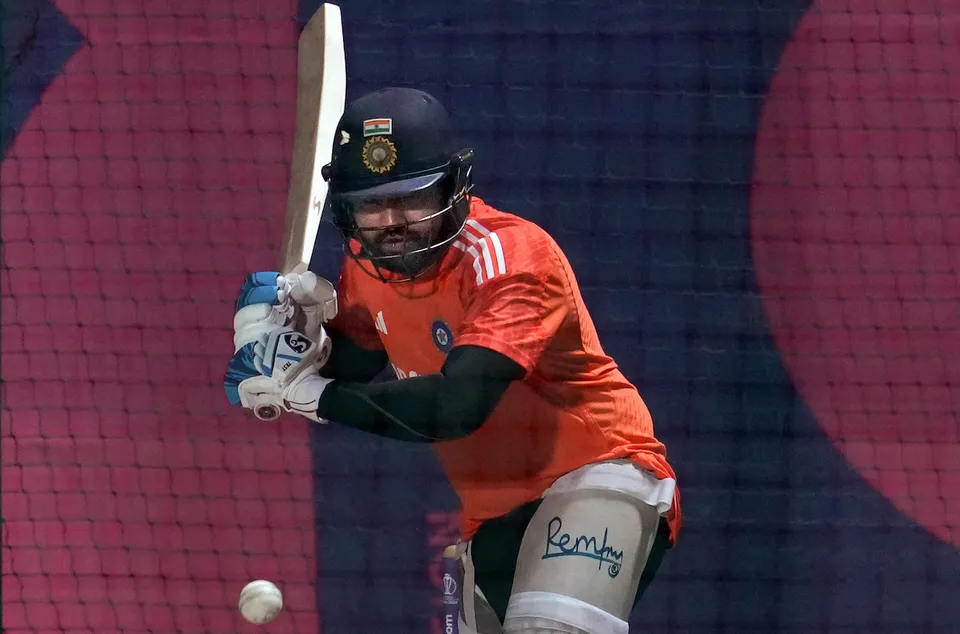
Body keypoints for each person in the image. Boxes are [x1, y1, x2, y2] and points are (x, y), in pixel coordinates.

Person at [224, 87, 682, 634]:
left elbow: (457, 406)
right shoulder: (366, 265)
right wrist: (291, 344)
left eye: (412, 198)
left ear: (455, 185)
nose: (392, 222)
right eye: (371, 204)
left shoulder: (510, 258)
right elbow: (348, 367)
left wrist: (311, 395)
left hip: (599, 476)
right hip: (488, 516)